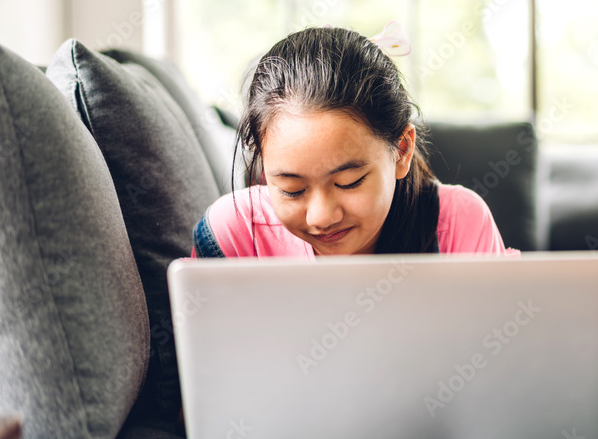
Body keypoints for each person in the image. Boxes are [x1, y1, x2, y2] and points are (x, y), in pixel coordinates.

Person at [190, 21, 519, 260]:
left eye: (349, 182)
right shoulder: (233, 234)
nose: (321, 217)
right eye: (292, 189)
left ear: (402, 150)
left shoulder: (457, 224)